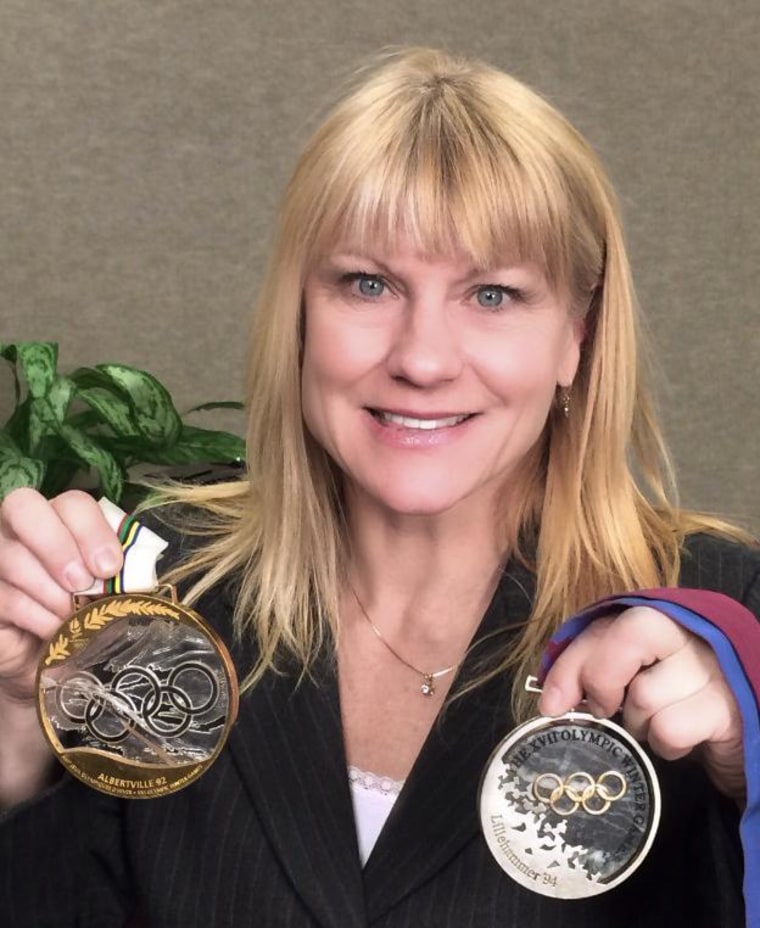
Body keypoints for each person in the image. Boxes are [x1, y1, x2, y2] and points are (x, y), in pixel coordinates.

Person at [0, 47, 758, 928]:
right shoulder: (153, 587)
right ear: (300, 316)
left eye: (495, 295)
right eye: (369, 284)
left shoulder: (721, 621)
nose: (423, 360)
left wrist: (750, 760)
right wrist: (18, 739)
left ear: (575, 341)